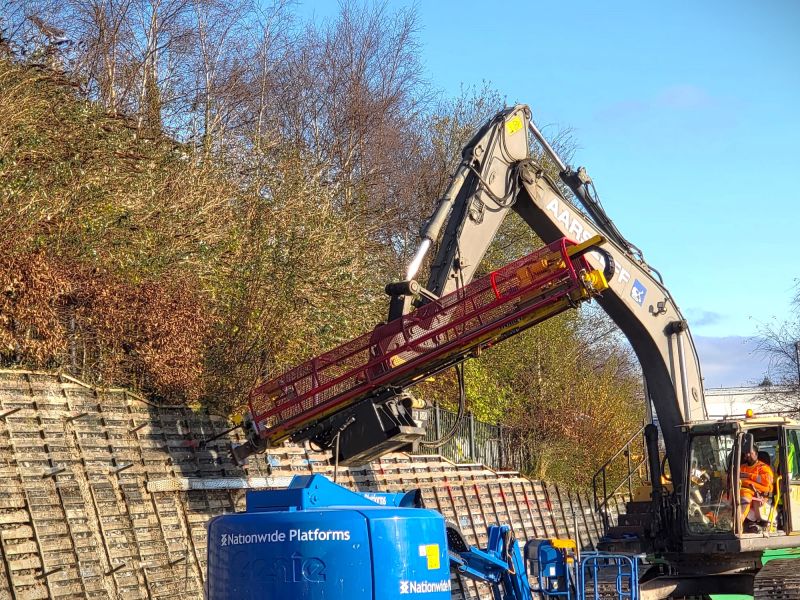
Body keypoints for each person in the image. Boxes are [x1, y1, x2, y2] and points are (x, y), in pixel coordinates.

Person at [739, 446, 774, 533]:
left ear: (756, 454)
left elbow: (767, 481)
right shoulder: (741, 467)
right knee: (725, 499)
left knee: (744, 499)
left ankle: (737, 524)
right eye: (746, 453)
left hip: (758, 495)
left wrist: (749, 476)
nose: (748, 455)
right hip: (739, 491)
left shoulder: (763, 467)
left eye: (751, 453)